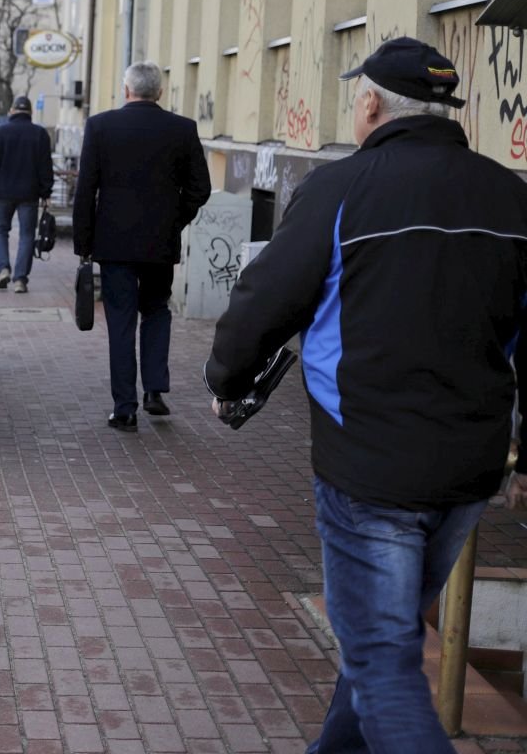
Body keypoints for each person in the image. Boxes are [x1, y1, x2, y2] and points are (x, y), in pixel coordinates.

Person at [203, 37, 527, 753]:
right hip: (469, 468)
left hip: (370, 469)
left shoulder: (340, 189)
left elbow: (263, 300)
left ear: (372, 105)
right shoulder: (511, 196)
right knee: (382, 640)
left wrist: (226, 379)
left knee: (383, 663)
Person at [72, 61, 211, 430]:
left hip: (113, 243)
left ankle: (125, 408)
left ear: (126, 90)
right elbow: (200, 188)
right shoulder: (182, 129)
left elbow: (86, 190)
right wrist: (174, 220)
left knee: (120, 320)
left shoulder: (100, 126)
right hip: (160, 243)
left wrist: (84, 242)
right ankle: (154, 390)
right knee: (156, 310)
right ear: (160, 92)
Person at [0, 95, 54, 293]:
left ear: (11, 111)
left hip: (4, 193)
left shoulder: (0, 132)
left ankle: (2, 269)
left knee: (1, 231)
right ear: (31, 112)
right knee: (27, 235)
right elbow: (45, 167)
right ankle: (20, 279)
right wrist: (46, 192)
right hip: (30, 194)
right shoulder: (40, 134)